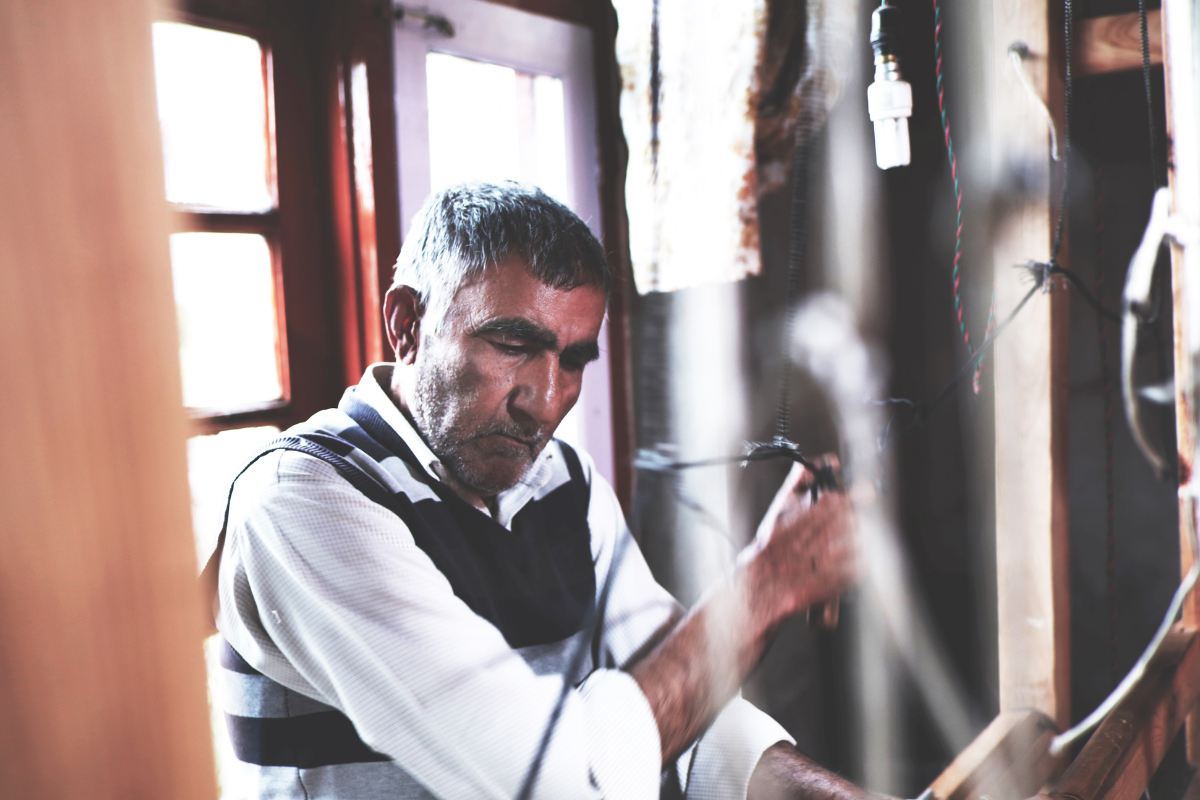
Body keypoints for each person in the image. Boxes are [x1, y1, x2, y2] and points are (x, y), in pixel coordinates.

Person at [208, 181, 862, 800]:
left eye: (574, 359)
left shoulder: (562, 482)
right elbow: (556, 782)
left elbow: (687, 709)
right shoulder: (303, 501)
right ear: (407, 323)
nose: (547, 402)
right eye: (514, 344)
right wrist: (764, 586)